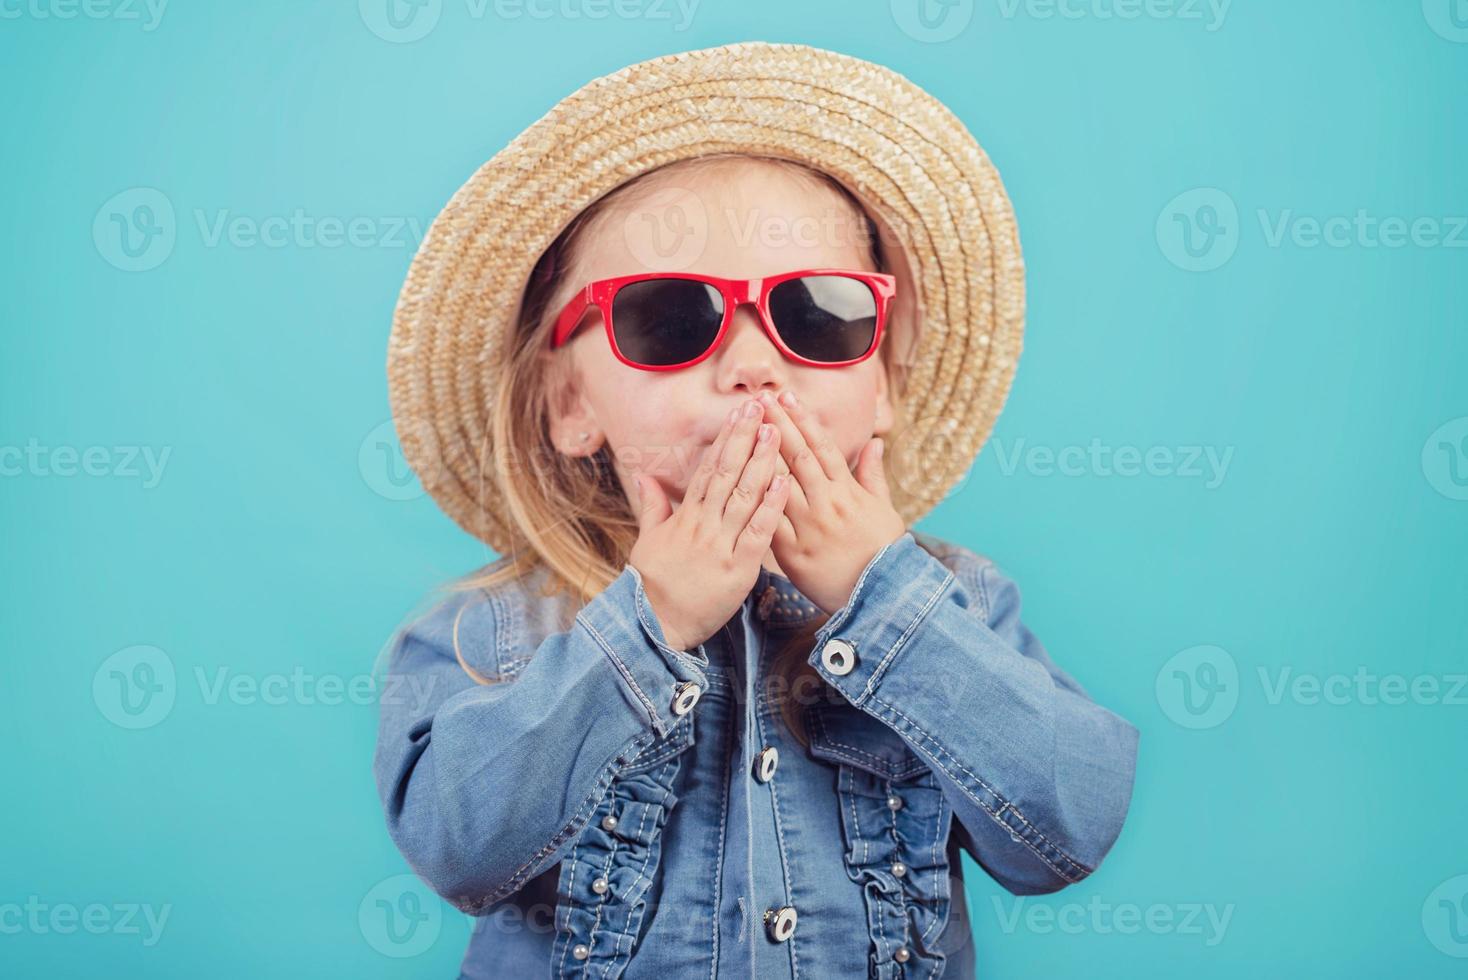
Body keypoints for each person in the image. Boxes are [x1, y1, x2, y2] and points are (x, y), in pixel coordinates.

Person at [374, 42, 1139, 978]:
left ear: (883, 383)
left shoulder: (960, 604)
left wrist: (884, 599)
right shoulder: (491, 634)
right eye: (668, 318)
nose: (754, 365)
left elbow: (1068, 830)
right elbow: (458, 845)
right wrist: (648, 624)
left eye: (818, 314)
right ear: (570, 405)